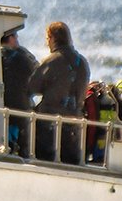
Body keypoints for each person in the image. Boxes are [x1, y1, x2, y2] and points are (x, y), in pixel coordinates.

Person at [28, 22, 90, 164]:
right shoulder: (83, 63)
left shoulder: (51, 61)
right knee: (70, 162)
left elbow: (32, 87)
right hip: (75, 125)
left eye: (47, 39)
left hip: (49, 125)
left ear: (52, 38)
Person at [1, 31, 38, 155]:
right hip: (20, 104)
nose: (17, 39)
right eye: (15, 36)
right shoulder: (23, 56)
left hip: (0, 103)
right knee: (23, 143)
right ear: (10, 38)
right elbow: (36, 76)